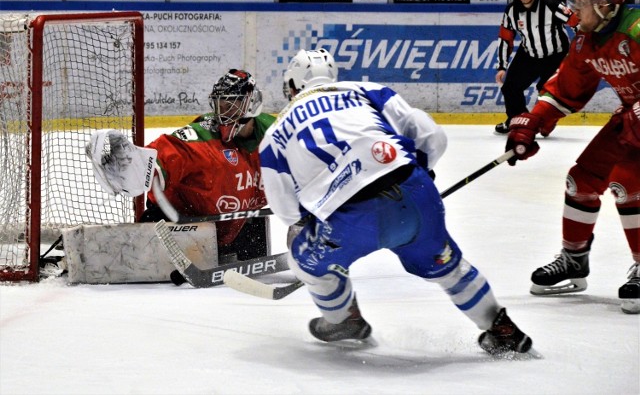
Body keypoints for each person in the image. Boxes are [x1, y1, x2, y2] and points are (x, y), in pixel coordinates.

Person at [259, 48, 533, 354]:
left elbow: (285, 209)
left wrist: (309, 223)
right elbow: (431, 135)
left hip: (346, 222)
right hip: (414, 195)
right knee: (448, 265)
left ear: (293, 86)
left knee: (301, 258)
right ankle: (502, 329)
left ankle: (343, 319)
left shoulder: (274, 134)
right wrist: (420, 175)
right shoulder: (366, 90)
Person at [504, 0, 639, 314]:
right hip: (632, 120)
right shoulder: (586, 39)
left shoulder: (636, 30)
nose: (575, 11)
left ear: (608, 4)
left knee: (626, 182)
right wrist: (532, 123)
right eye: (574, 1)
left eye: (582, 3)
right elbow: (567, 89)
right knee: (581, 181)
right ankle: (574, 259)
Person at [89, 69, 275, 269]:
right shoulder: (201, 138)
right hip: (175, 227)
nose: (223, 111)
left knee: (257, 221)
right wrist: (134, 166)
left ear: (252, 103)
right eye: (220, 103)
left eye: (231, 104)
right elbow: (168, 151)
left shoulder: (276, 134)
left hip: (235, 227)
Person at [494, 0, 578, 134]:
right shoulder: (511, 11)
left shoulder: (550, 4)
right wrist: (502, 66)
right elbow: (505, 38)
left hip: (556, 55)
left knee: (547, 92)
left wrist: (582, 51)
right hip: (529, 54)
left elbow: (576, 23)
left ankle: (545, 123)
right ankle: (517, 120)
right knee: (510, 87)